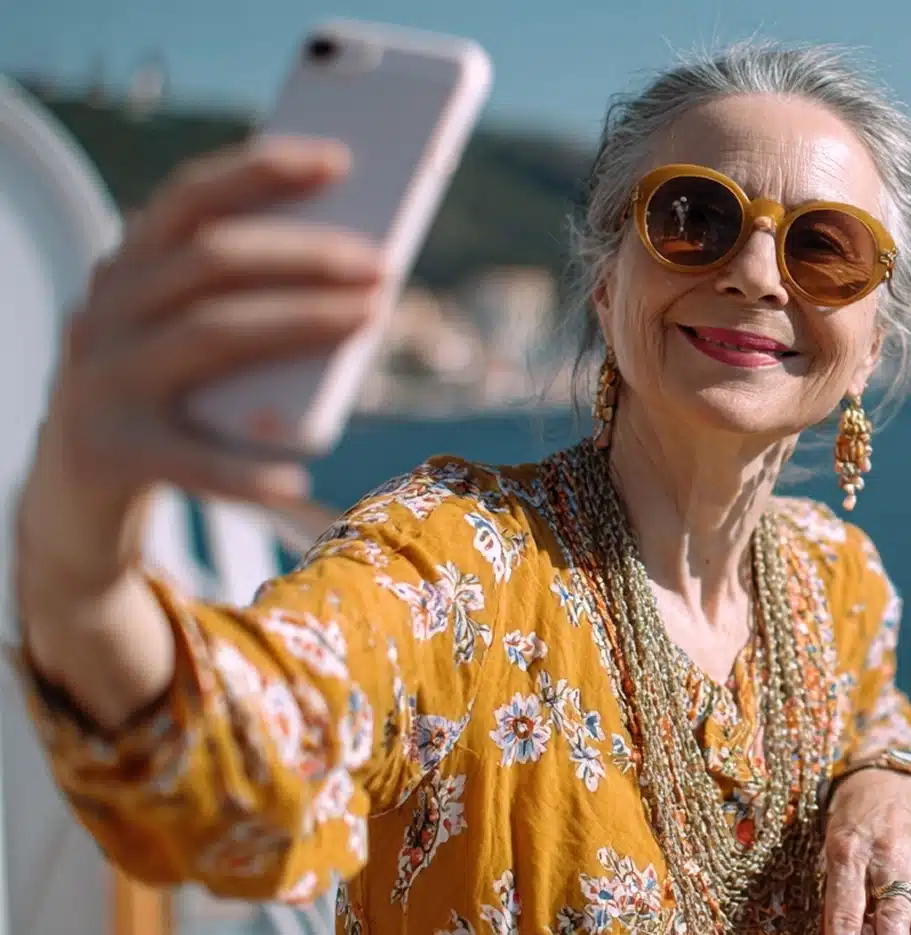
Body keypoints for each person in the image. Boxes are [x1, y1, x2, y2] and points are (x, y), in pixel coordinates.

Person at [12, 40, 911, 935]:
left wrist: (886, 776)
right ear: (605, 283)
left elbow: (879, 714)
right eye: (691, 218)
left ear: (870, 342)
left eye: (825, 248)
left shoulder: (835, 582)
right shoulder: (455, 560)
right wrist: (79, 564)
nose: (755, 273)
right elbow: (250, 742)